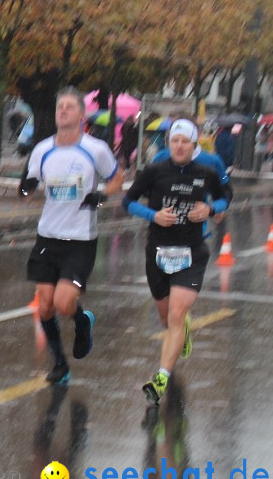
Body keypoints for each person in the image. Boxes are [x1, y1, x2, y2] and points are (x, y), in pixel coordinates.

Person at [19, 87, 123, 386]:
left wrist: (99, 196)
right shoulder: (43, 149)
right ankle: (61, 365)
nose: (62, 111)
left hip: (80, 240)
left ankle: (82, 321)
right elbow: (31, 186)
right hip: (47, 236)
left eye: (68, 107)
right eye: (59, 107)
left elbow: (117, 179)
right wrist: (25, 188)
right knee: (45, 305)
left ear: (81, 115)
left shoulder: (95, 149)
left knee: (65, 304)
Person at [121, 119, 228, 406]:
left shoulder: (206, 172)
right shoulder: (155, 171)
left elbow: (225, 197)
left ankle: (161, 378)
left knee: (177, 315)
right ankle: (183, 331)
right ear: (169, 144)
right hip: (158, 252)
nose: (179, 146)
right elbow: (127, 202)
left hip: (192, 253)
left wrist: (210, 208)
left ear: (194, 145)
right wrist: (153, 216)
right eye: (175, 141)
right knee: (167, 317)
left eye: (185, 141)